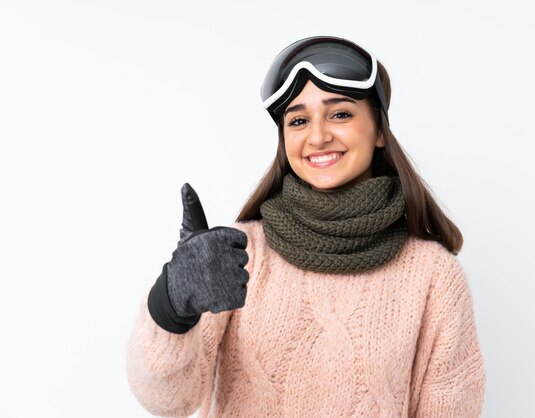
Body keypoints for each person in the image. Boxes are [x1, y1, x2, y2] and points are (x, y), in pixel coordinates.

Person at [126, 35, 486, 417]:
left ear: (379, 131)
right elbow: (168, 401)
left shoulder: (433, 276)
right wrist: (171, 304)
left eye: (341, 114)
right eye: (298, 120)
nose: (317, 136)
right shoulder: (234, 256)